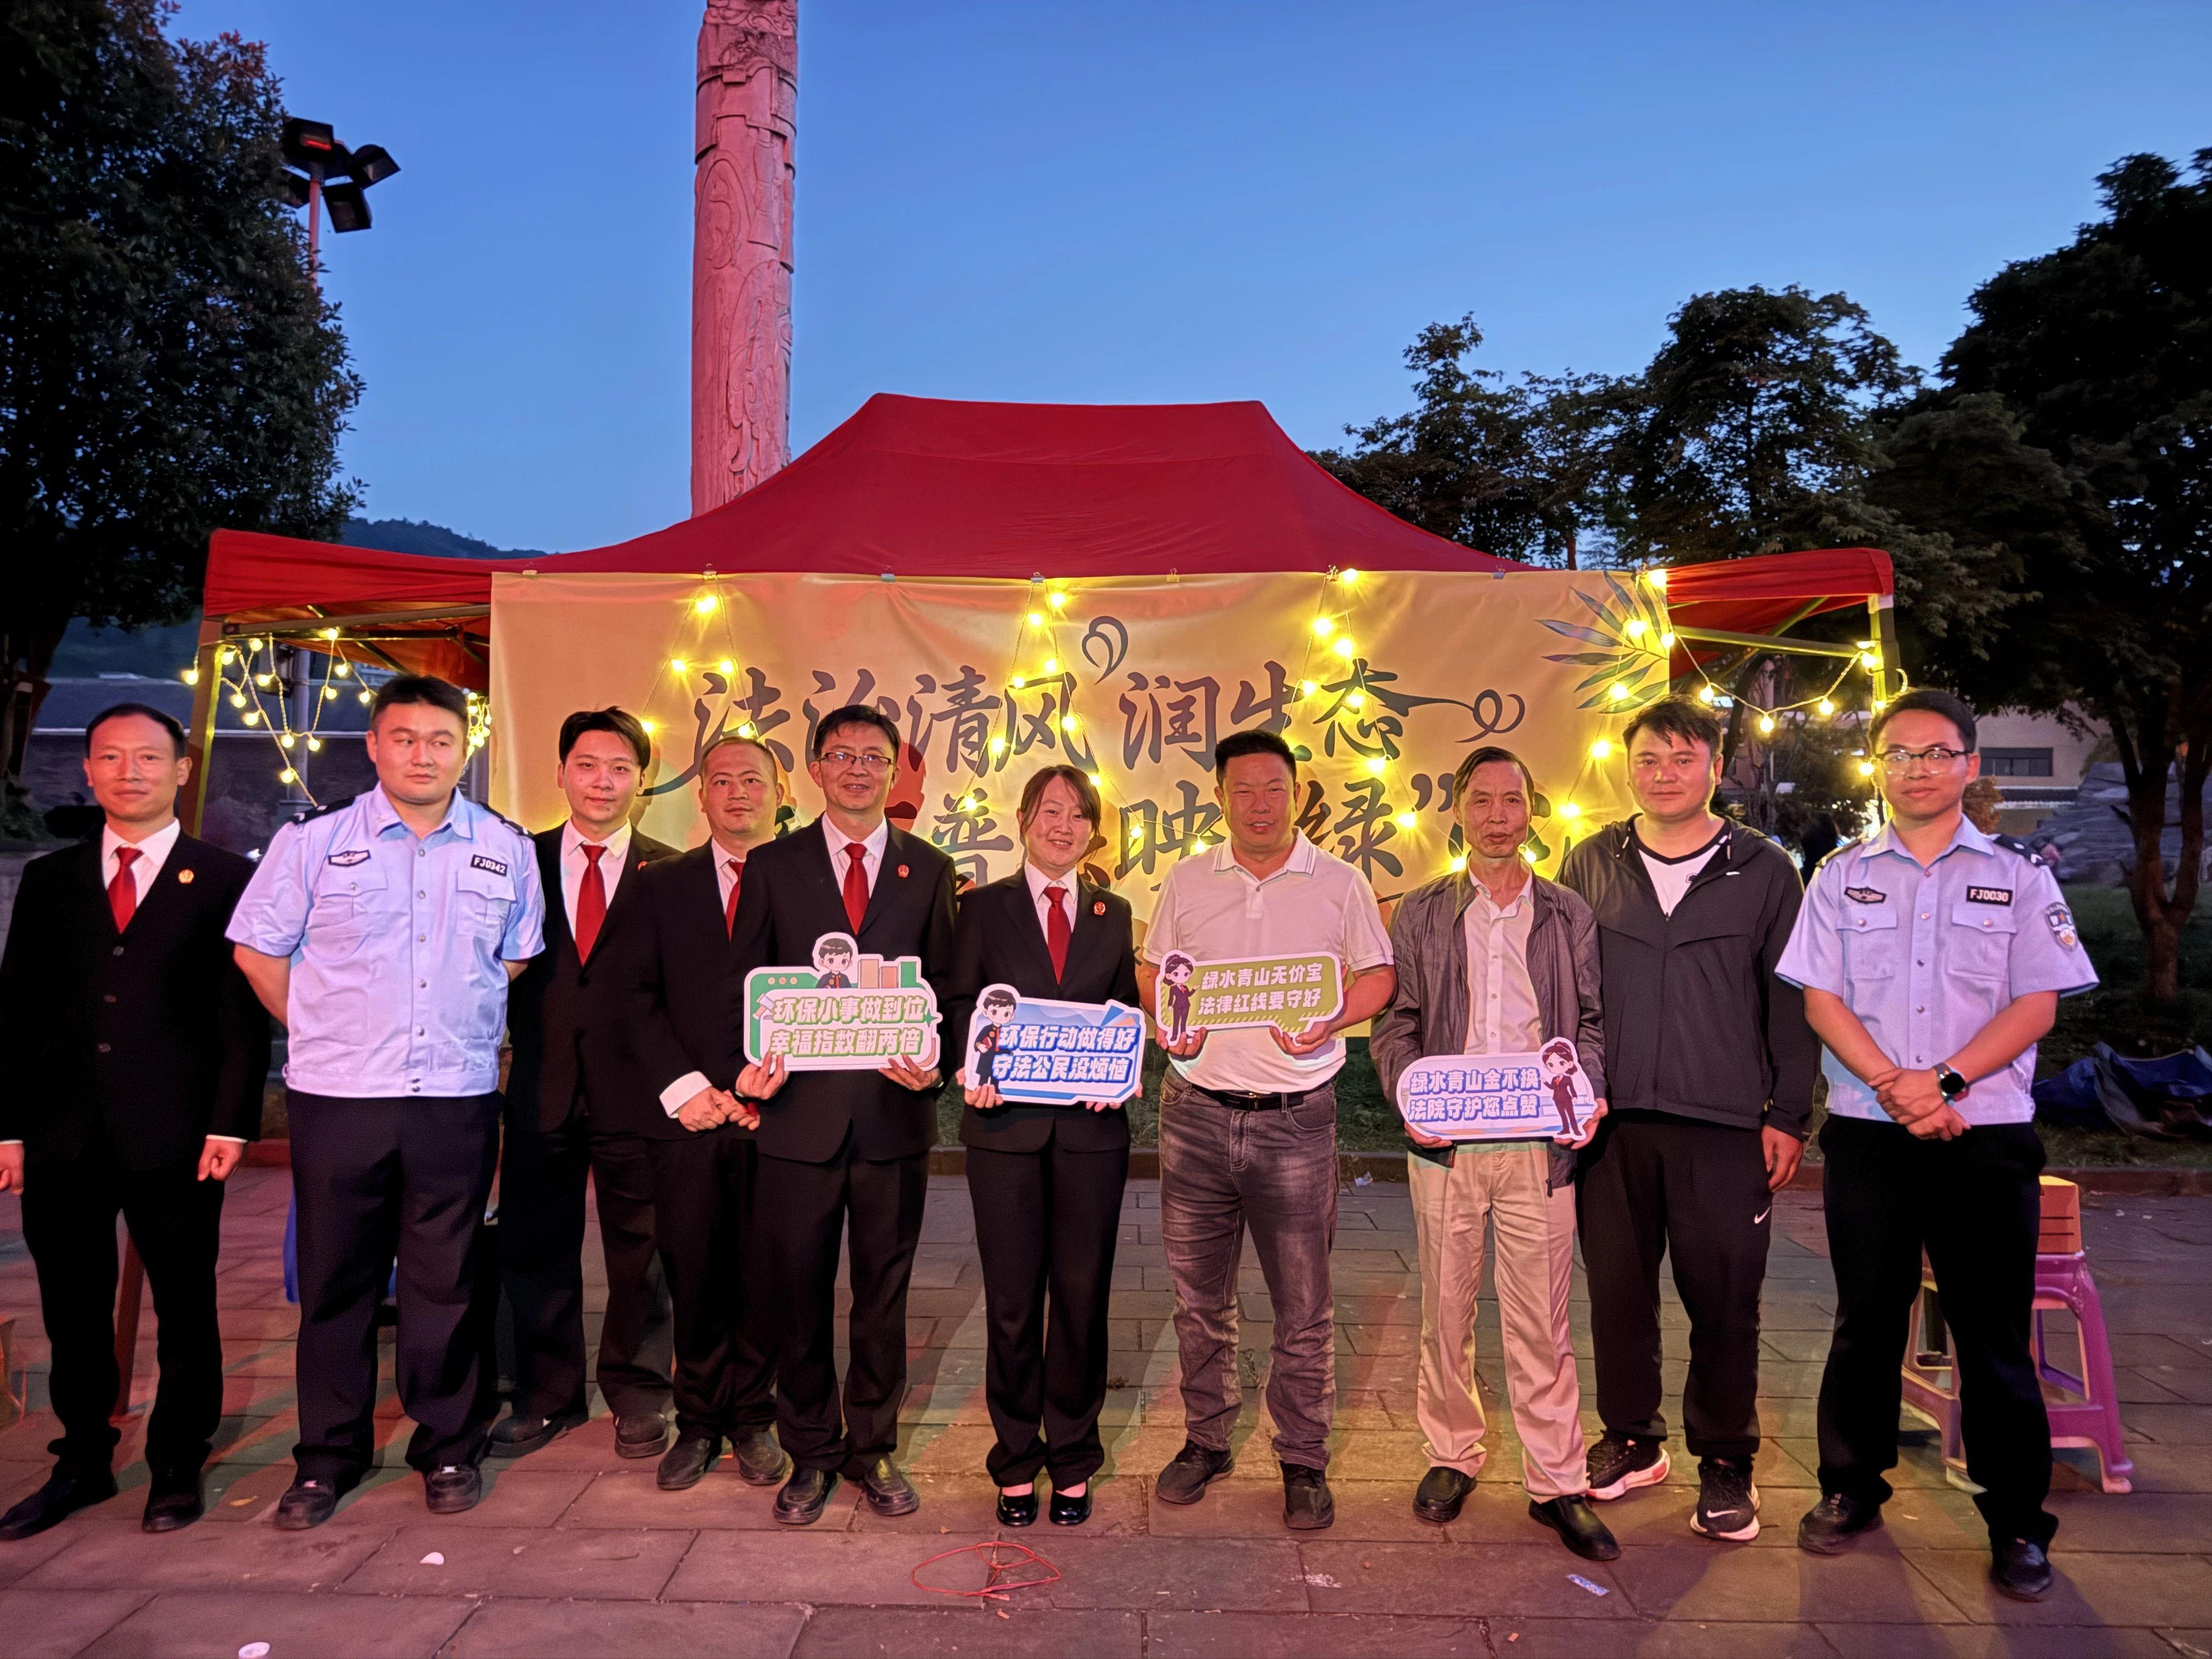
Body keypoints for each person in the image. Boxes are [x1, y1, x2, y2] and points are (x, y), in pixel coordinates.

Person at [1778, 688, 2096, 1601]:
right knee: (1865, 1320)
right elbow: (1820, 1000)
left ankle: (2017, 1522)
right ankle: (1851, 1487)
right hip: (1871, 1134)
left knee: (1991, 1333)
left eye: (1936, 753)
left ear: (1970, 765)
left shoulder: (2020, 876)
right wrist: (1896, 1086)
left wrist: (1943, 1084)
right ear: (1877, 767)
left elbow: (2037, 1003)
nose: (1916, 769)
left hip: (1983, 1137)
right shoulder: (1840, 875)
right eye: (1899, 754)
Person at [228, 674, 543, 1528]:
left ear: (465, 751)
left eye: (441, 741)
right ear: (373, 746)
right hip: (340, 1097)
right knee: (338, 1282)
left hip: (454, 1097)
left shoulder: (505, 847)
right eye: (404, 738)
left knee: (448, 1280)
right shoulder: (314, 842)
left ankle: (447, 1446)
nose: (422, 756)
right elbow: (257, 951)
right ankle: (327, 1458)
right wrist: (323, 1028)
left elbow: (513, 957)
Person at [0, 704, 269, 1539]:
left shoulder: (225, 878)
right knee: (70, 1306)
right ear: (88, 771)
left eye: (149, 757)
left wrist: (231, 1123)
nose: (130, 772)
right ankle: (81, 1459)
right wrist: (9, 1129)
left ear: (181, 770)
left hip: (179, 1135)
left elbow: (240, 1019)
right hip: (62, 1136)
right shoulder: (50, 880)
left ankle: (177, 1463)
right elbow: (16, 1013)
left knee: (185, 1304)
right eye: (111, 757)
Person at [1558, 695, 1818, 1543]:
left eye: (1681, 758)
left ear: (1715, 766)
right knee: (1618, 1294)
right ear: (1626, 768)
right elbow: (1561, 988)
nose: (1663, 774)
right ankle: (1633, 1440)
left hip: (1726, 1124)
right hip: (1612, 1122)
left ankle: (1726, 1460)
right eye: (1648, 759)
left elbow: (1792, 1000)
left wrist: (1789, 1114)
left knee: (1725, 1298)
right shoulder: (1590, 861)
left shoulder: (1766, 870)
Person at [1138, 728, 1396, 1532]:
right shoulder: (1188, 880)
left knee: (1304, 1305)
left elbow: (1378, 974)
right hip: (1195, 1113)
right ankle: (1206, 1440)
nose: (1260, 803)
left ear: (1297, 794)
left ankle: (1303, 1457)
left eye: (1274, 788)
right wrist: (1166, 1015)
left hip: (1295, 1121)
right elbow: (1154, 965)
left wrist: (1334, 1020)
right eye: (1243, 790)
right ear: (1220, 797)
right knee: (1198, 1300)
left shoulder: (1340, 882)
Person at [1369, 746, 1617, 1560]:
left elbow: (1590, 1021)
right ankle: (1452, 1452)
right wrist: (1413, 1098)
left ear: (1532, 809)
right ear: (1458, 810)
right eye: (1482, 800)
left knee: (1542, 1318)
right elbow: (1397, 1021)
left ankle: (1557, 1480)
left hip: (1539, 1144)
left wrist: (1587, 1093)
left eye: (1513, 800)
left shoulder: (1567, 914)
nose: (1498, 816)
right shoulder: (1422, 912)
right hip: (1448, 1144)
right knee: (1444, 1309)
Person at [731, 705, 957, 1525]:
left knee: (882, 1298)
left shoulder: (929, 869)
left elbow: (948, 988)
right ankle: (811, 1451)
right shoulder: (773, 864)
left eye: (874, 757)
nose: (859, 769)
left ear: (895, 772)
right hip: (797, 1122)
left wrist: (937, 1061)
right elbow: (745, 981)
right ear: (817, 769)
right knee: (797, 1294)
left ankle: (872, 1447)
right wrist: (744, 1069)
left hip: (892, 1118)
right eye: (842, 755)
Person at [941, 766, 1141, 1529]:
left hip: (1091, 1134)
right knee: (1014, 1302)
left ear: (1093, 830)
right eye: (1051, 811)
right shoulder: (980, 907)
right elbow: (961, 1001)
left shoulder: (1113, 913)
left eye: (1078, 815)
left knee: (1084, 1299)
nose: (1064, 826)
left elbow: (1124, 1011)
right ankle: (1017, 1460)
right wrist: (973, 1065)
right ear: (1024, 819)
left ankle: (1076, 1458)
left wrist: (1119, 1068)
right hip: (1005, 1131)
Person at [603, 732, 789, 1492]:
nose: (738, 792)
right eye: (722, 781)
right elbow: (632, 996)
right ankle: (700, 1418)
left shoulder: (804, 881)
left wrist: (768, 1086)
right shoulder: (660, 884)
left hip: (776, 1114)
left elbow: (827, 998)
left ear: (781, 793)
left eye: (753, 779)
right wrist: (689, 1089)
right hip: (686, 1116)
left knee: (767, 1270)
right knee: (693, 1269)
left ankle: (755, 1417)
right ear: (702, 796)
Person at [492, 708, 677, 1462]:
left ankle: (638, 1391)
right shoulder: (517, 861)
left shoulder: (672, 871)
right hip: (541, 1084)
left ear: (642, 782)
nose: (604, 781)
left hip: (639, 1093)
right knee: (535, 1244)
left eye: (621, 769)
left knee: (643, 1250)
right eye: (589, 766)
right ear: (562, 772)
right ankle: (547, 1395)